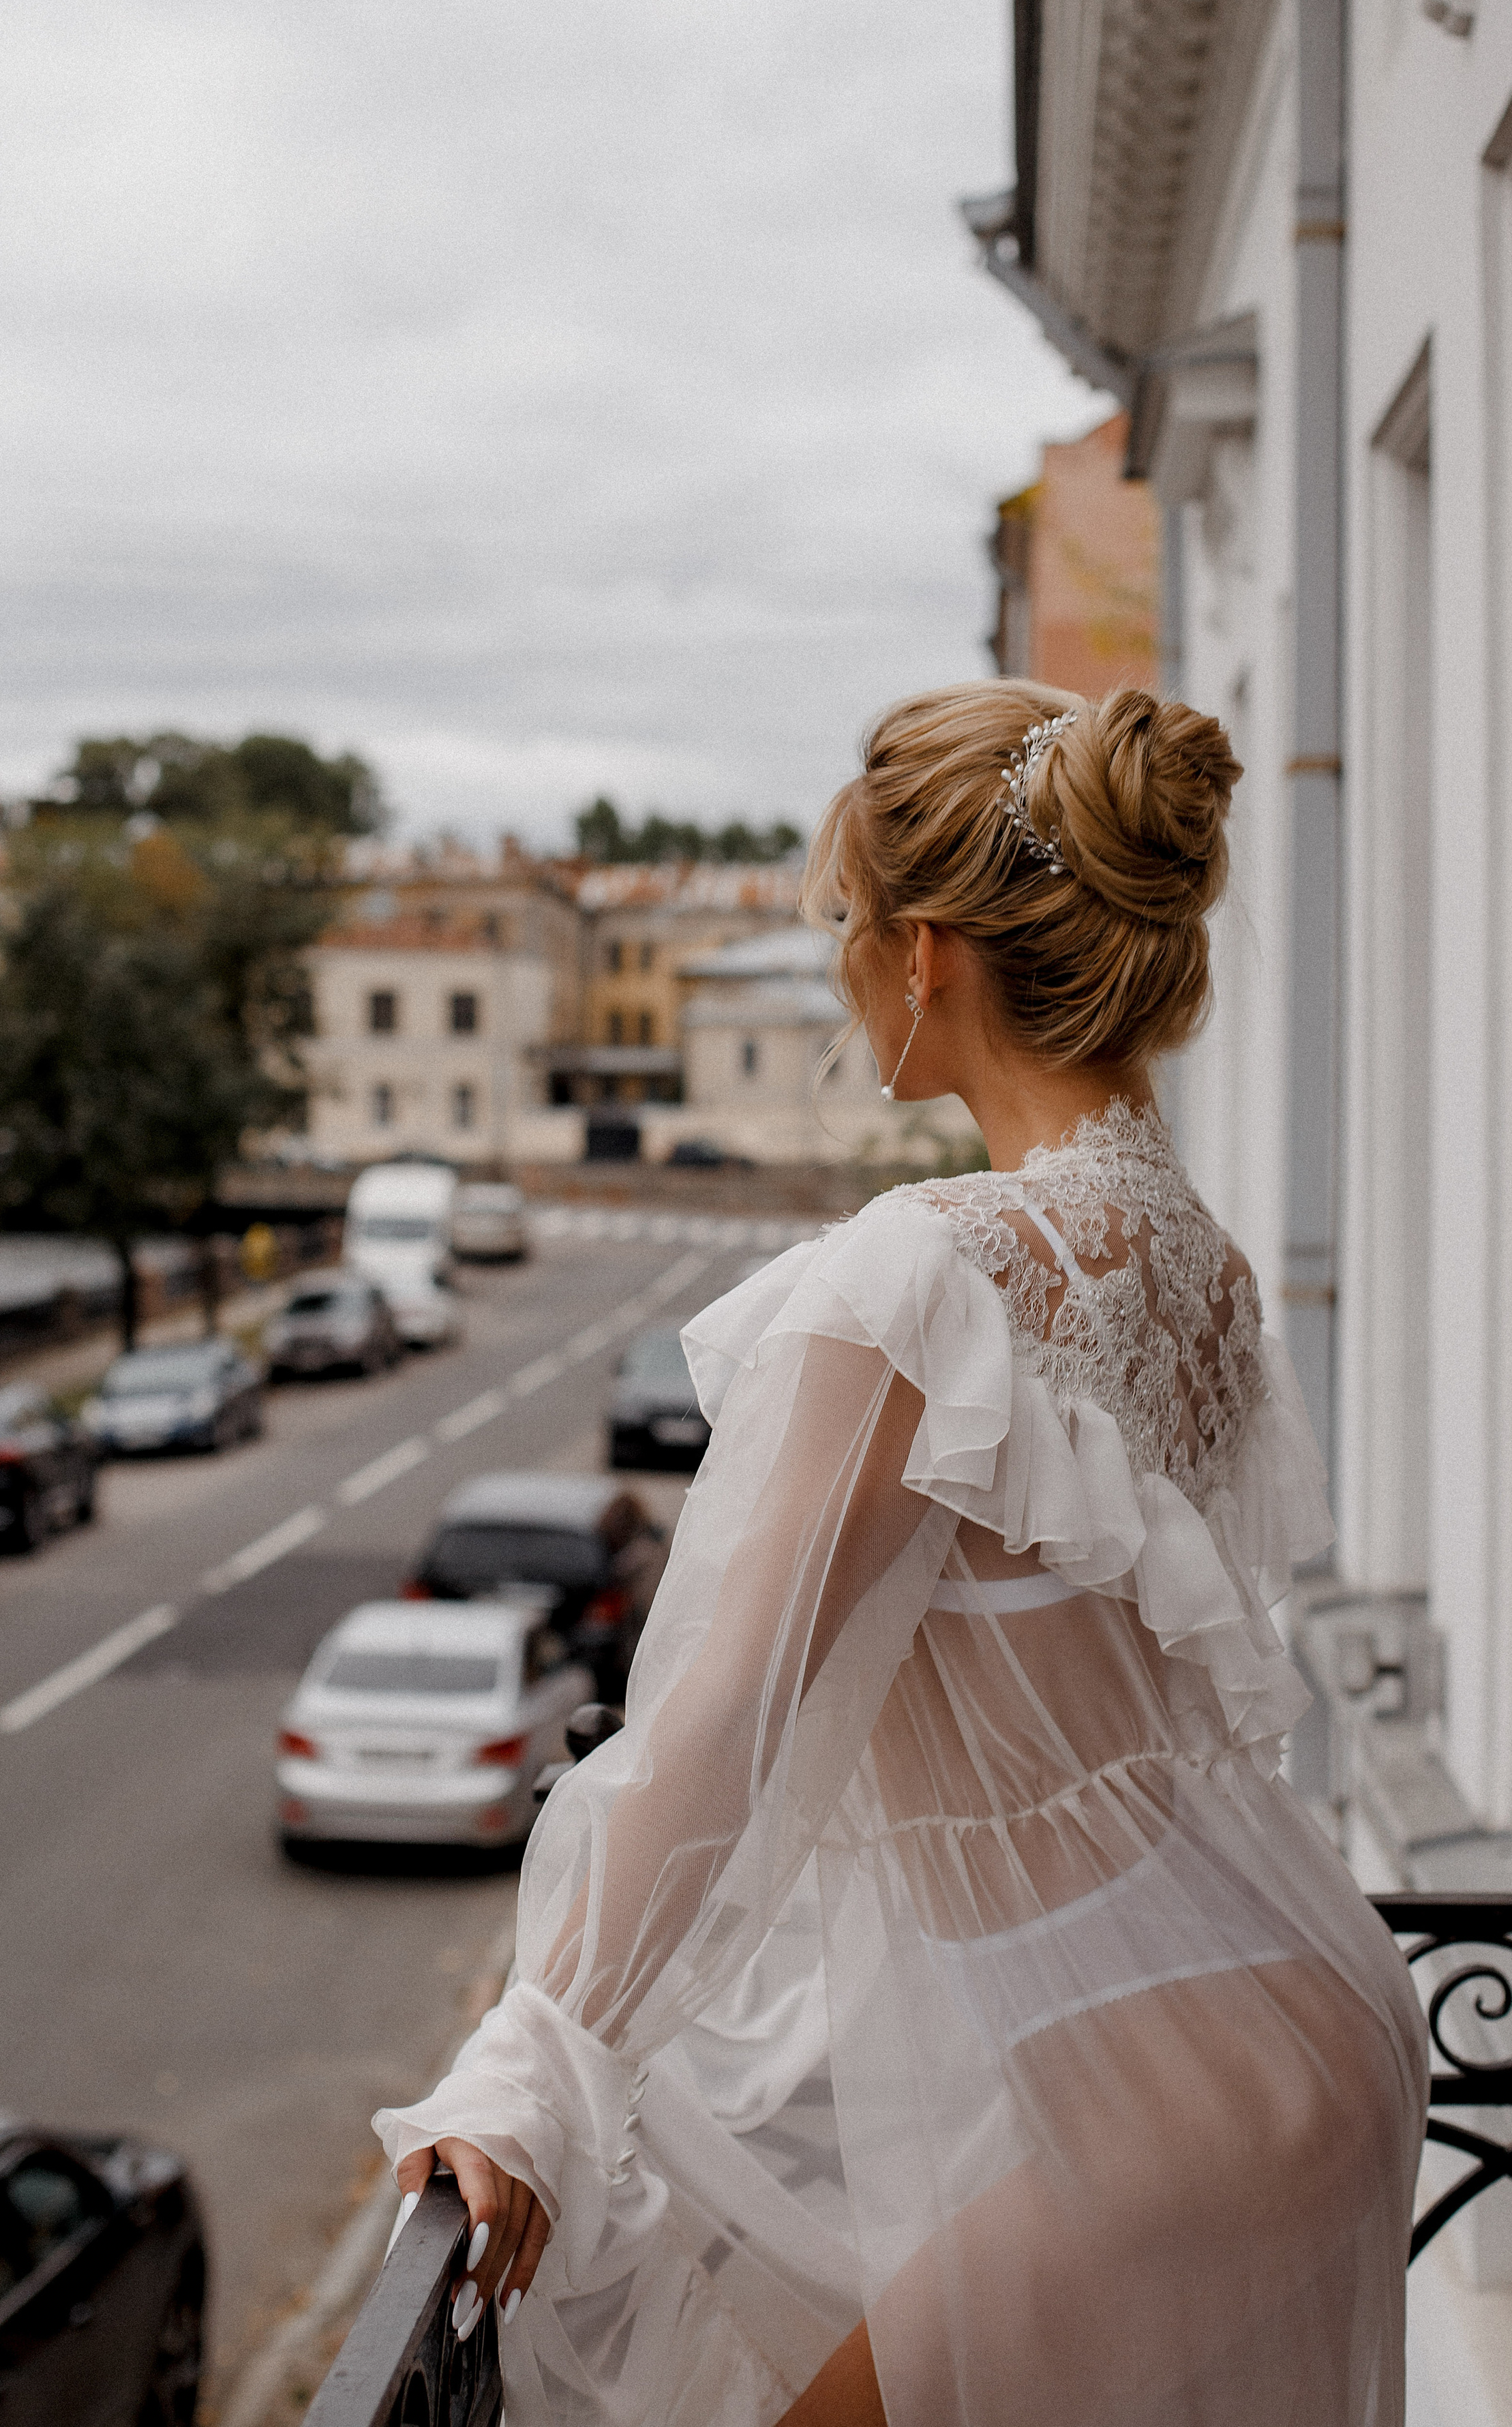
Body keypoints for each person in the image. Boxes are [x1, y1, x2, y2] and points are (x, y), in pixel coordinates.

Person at [374, 681, 1430, 2427]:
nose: (843, 969)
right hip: (1316, 2015)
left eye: (845, 925)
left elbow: (719, 1726)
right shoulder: (1198, 1265)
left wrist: (529, 2069)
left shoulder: (923, 1271)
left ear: (923, 956)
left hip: (1161, 2107)